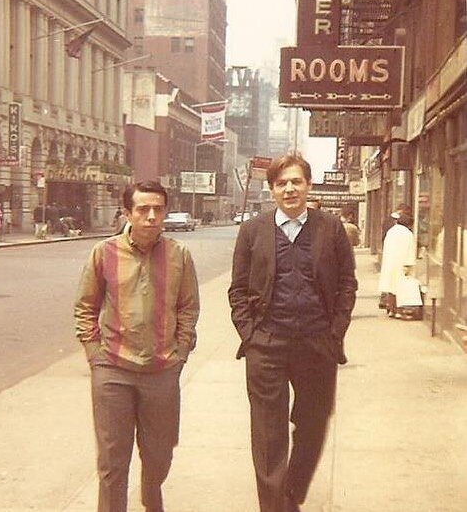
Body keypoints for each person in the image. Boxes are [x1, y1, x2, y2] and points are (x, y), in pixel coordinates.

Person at [228, 153, 358, 512]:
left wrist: (335, 332)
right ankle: (274, 507)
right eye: (282, 183)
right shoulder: (253, 230)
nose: (289, 189)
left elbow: (347, 283)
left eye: (296, 181)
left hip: (317, 342)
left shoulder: (330, 228)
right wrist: (250, 334)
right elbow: (237, 289)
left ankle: (291, 493)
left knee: (314, 424)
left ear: (308, 185)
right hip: (266, 344)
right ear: (271, 190)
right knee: (268, 434)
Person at [74, 180, 200, 512]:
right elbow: (86, 305)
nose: (151, 216)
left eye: (158, 209)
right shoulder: (104, 253)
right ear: (128, 212)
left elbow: (188, 307)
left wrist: (181, 352)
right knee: (113, 461)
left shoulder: (179, 255)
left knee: (160, 454)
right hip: (113, 369)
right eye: (143, 209)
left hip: (162, 370)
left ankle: (151, 494)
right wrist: (94, 353)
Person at [378, 213, 416, 317]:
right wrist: (409, 264)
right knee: (400, 288)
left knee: (391, 287)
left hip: (390, 262)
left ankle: (391, 310)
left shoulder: (391, 231)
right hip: (402, 263)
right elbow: (410, 250)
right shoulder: (408, 234)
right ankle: (399, 311)